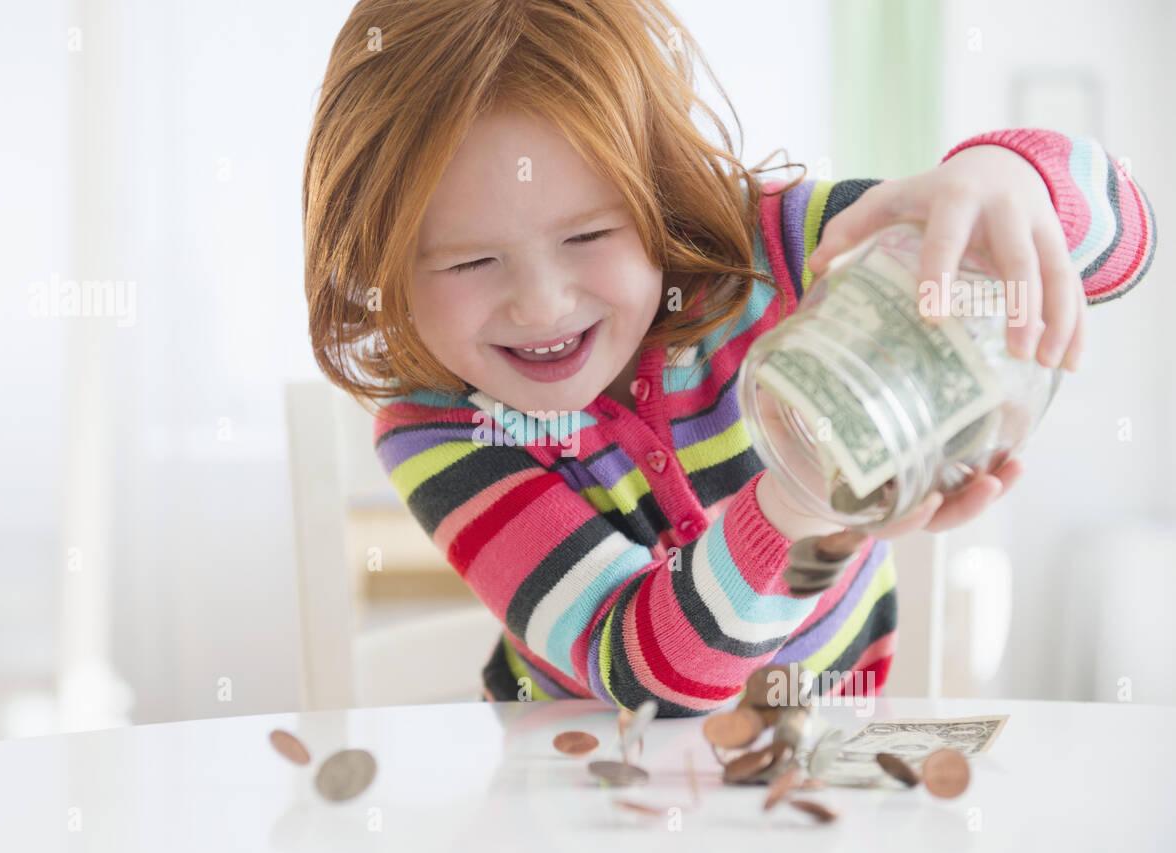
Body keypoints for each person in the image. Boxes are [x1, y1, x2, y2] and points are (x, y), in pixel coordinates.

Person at [301, 0, 1156, 715]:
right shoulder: (438, 427)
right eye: (469, 262)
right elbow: (644, 676)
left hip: (821, 752)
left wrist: (1009, 184)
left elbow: (1125, 236)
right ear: (383, 263)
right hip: (579, 789)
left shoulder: (772, 246)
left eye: (590, 234)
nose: (542, 304)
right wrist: (797, 503)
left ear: (663, 197)